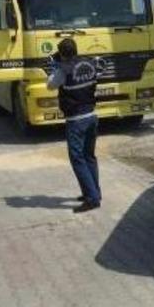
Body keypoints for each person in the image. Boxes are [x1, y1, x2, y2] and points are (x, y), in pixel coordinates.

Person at [47, 38, 101, 213]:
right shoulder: (89, 64)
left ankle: (92, 199)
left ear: (62, 54)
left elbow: (50, 85)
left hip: (76, 120)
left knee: (77, 158)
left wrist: (54, 67)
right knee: (89, 156)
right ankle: (93, 192)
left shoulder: (62, 71)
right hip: (92, 116)